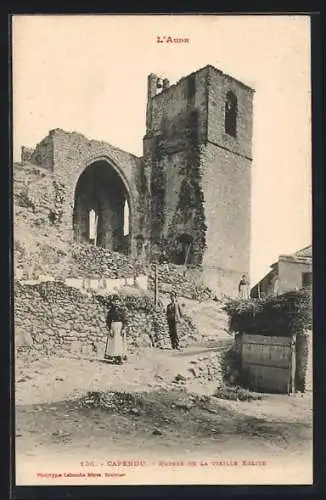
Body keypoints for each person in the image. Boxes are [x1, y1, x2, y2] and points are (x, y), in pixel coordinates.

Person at [104, 294, 127, 364]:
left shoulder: (122, 310)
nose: (116, 303)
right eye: (115, 301)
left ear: (120, 302)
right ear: (113, 302)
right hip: (113, 326)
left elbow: (125, 320)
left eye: (118, 301)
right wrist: (110, 329)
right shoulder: (111, 311)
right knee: (113, 342)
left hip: (120, 326)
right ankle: (114, 357)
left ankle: (119, 358)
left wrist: (123, 328)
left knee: (119, 342)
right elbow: (108, 320)